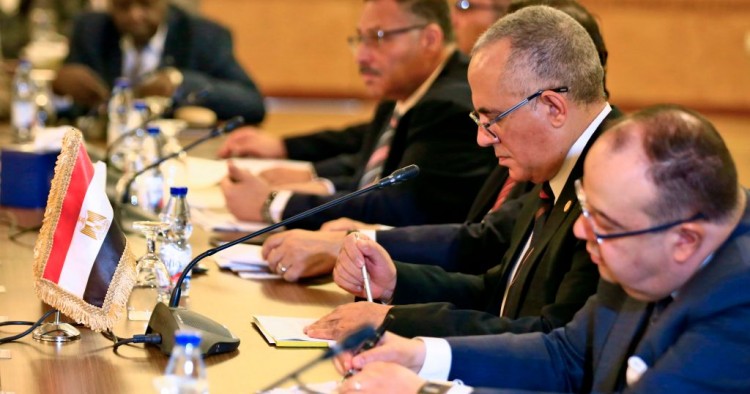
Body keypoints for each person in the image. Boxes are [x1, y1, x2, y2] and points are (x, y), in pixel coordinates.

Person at [335, 105, 750, 394]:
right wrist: (419, 356)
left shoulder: (738, 308)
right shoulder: (642, 239)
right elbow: (566, 355)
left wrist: (430, 392)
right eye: (586, 206)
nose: (583, 230)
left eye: (604, 222)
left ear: (685, 241)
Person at [302, 5, 616, 340]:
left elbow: (555, 340)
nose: (483, 138)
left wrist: (392, 321)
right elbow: (499, 292)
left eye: (493, 118)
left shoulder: (612, 180)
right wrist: (396, 282)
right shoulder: (555, 164)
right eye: (478, 120)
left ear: (553, 107)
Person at [219, 0, 496, 230]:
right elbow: (370, 174)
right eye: (360, 39)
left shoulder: (451, 104)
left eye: (378, 38)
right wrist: (314, 181)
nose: (361, 56)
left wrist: (275, 202)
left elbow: (398, 207)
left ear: (429, 39)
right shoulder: (401, 93)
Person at [52, 0, 265, 123]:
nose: (135, 15)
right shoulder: (91, 30)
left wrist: (180, 82)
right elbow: (69, 112)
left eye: (145, 3)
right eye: (123, 6)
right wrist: (59, 88)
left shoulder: (203, 36)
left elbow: (252, 104)